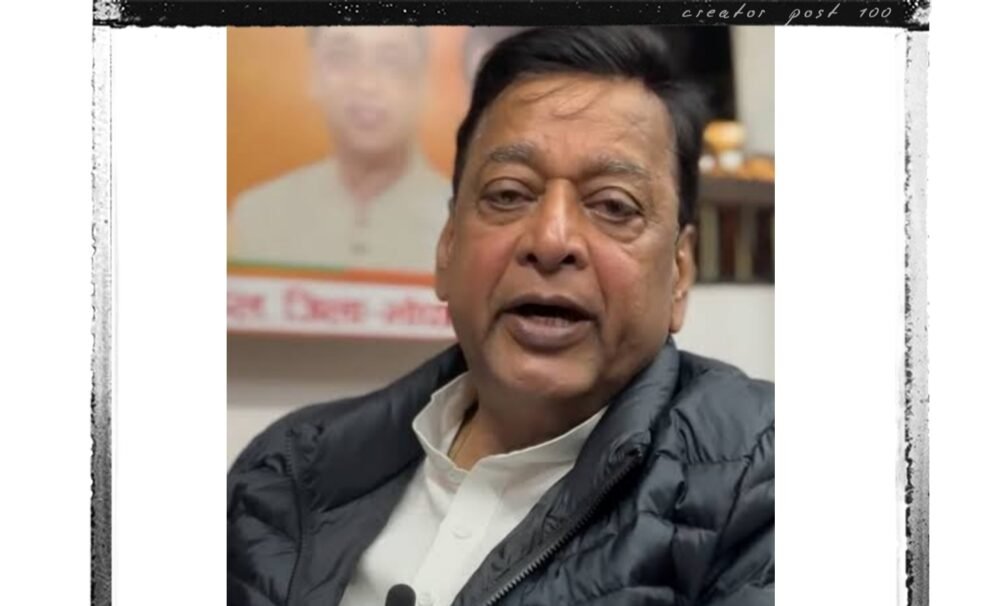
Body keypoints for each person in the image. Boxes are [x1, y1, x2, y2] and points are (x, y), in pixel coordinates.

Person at [228, 27, 774, 606]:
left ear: (680, 273)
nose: (551, 239)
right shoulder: (287, 470)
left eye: (614, 205)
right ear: (447, 248)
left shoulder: (765, 472)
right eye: (509, 194)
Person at [228, 26, 450, 273]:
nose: (366, 84)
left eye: (391, 60)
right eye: (342, 57)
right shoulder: (257, 216)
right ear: (313, 77)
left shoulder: (462, 222)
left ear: (424, 85)